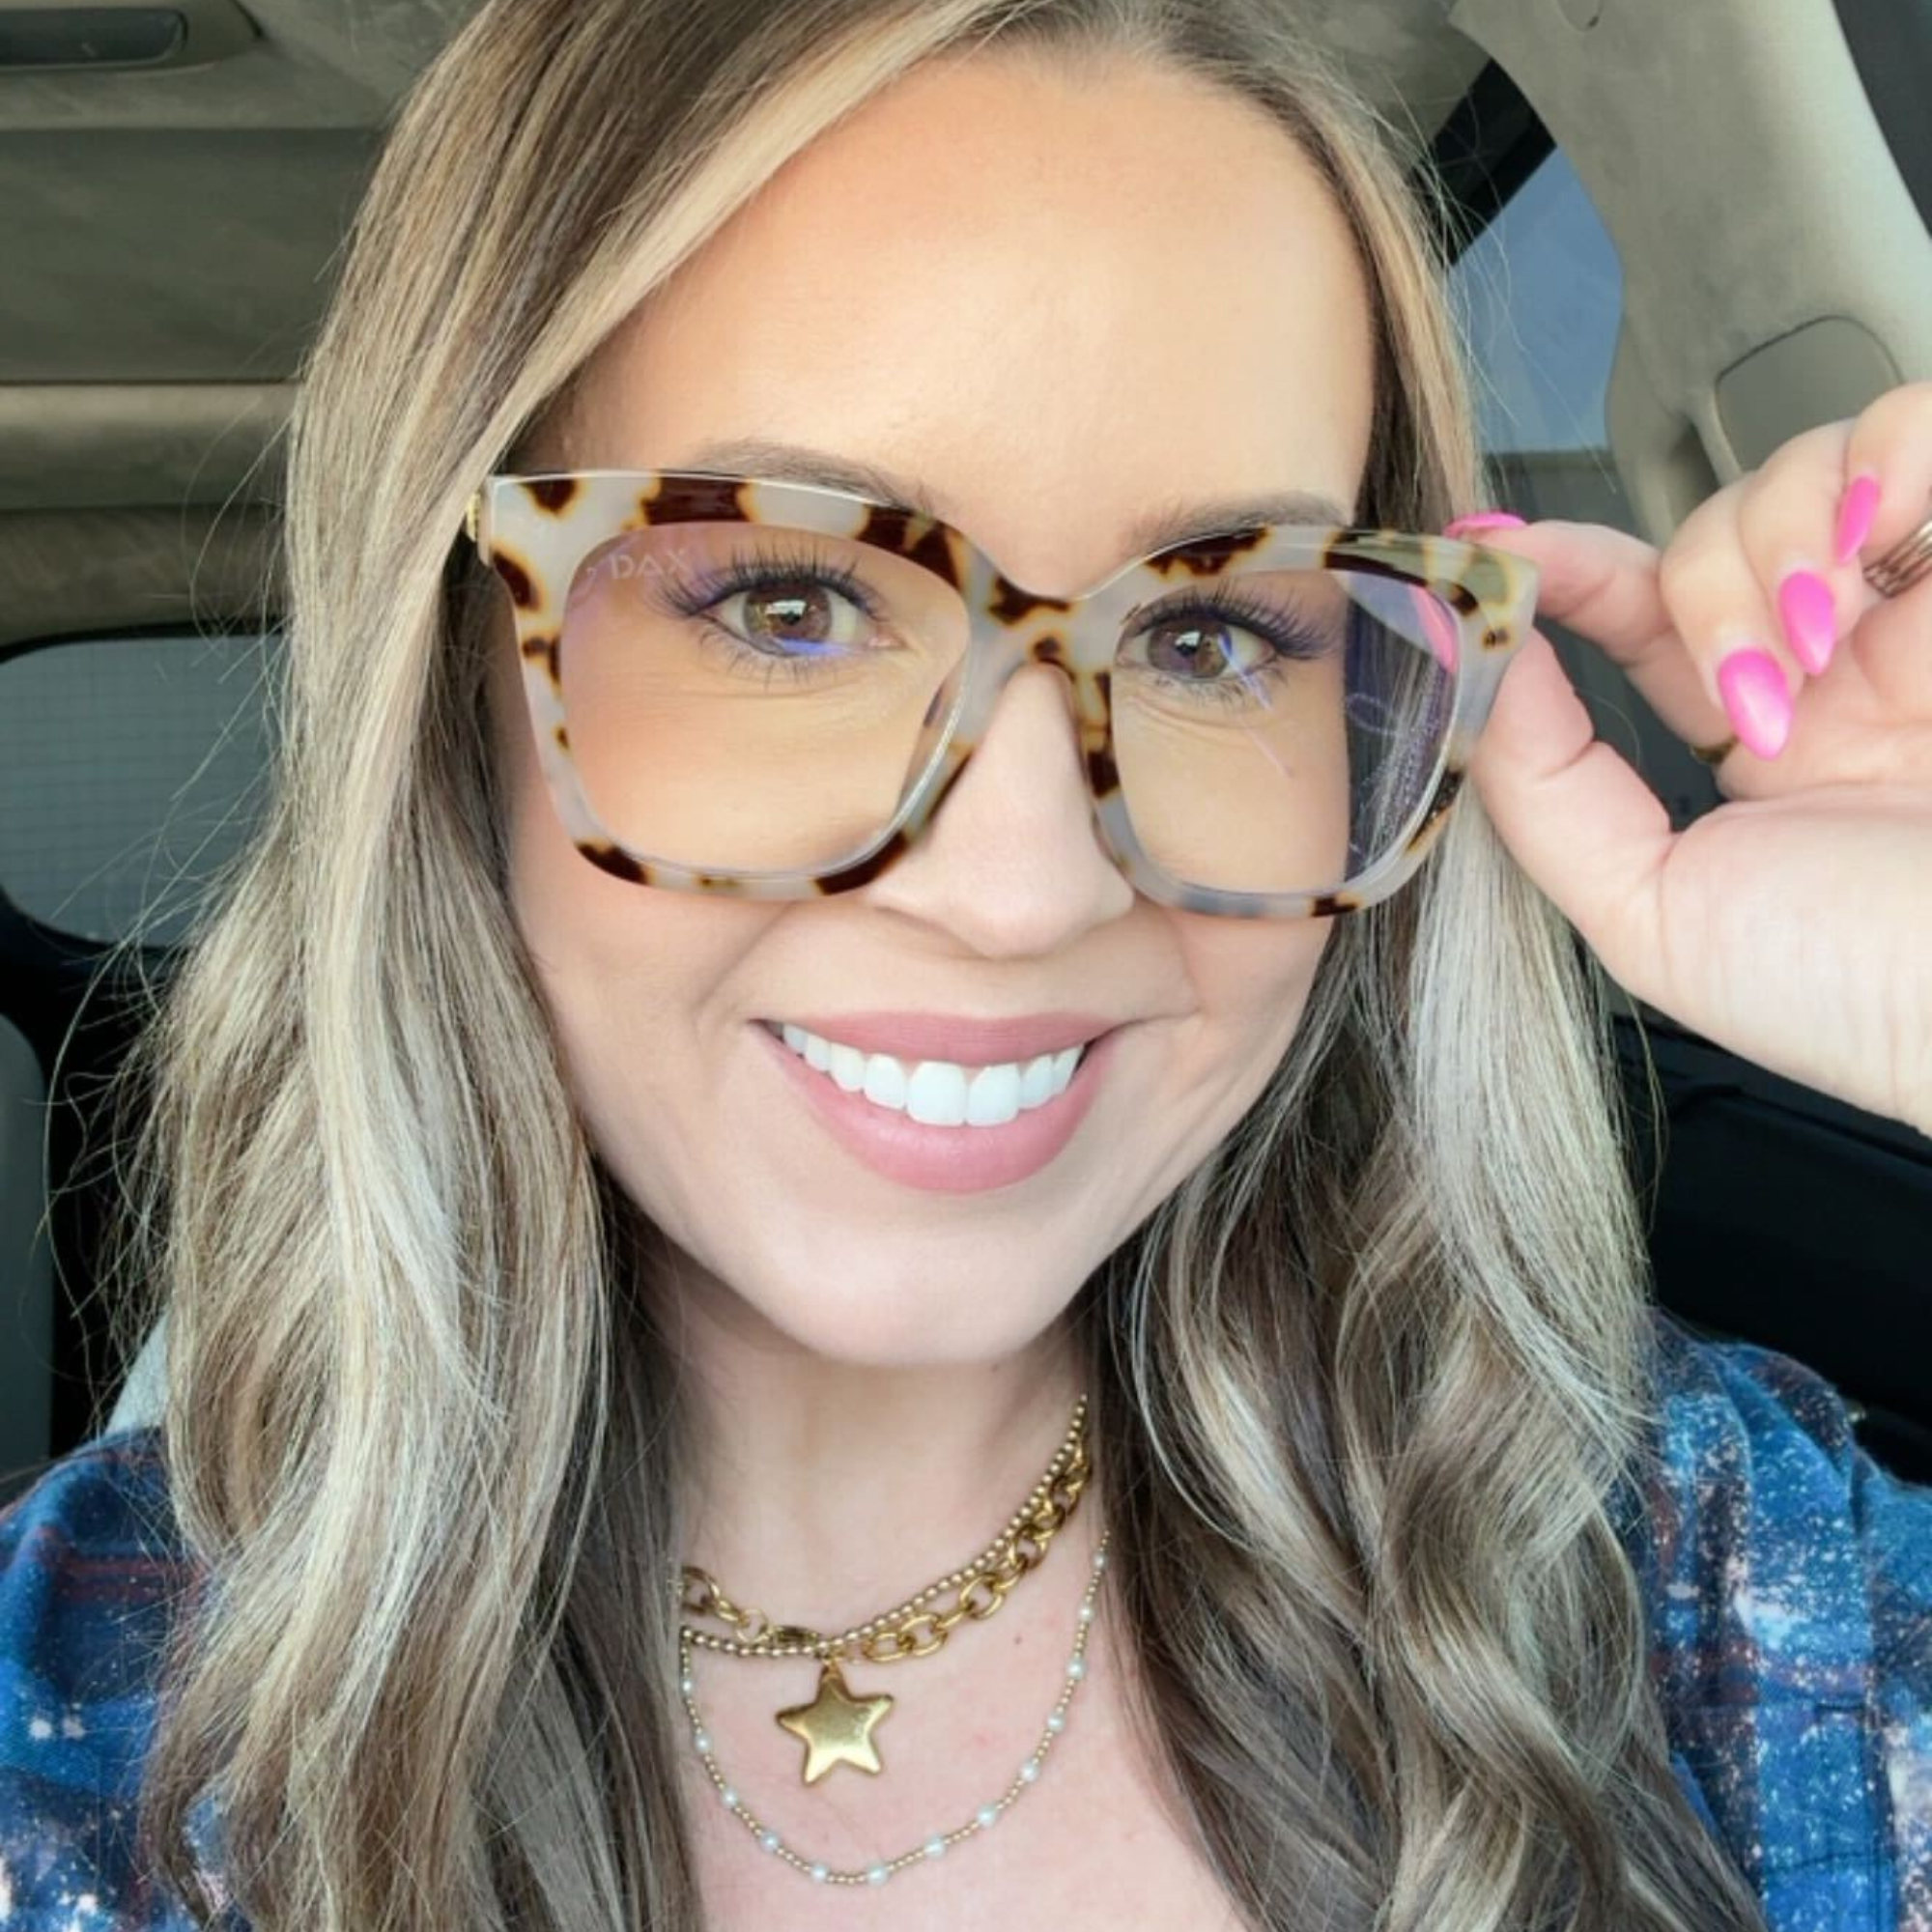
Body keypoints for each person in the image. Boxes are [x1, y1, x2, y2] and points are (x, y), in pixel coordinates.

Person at [1, 0, 1927, 1926]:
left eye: (1211, 639)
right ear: (451, 691)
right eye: (787, 603)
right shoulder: (69, 1728)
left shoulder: (1712, 1584)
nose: (1023, 890)